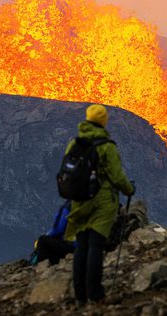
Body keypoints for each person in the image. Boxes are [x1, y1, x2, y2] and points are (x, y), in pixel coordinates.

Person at [64, 104, 134, 305]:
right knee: (95, 245)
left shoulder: (74, 144)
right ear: (104, 121)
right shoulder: (106, 145)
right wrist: (129, 189)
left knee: (81, 245)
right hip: (101, 202)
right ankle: (95, 294)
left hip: (79, 200)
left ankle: (80, 296)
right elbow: (117, 175)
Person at [29, 200, 75, 266]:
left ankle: (40, 266)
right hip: (84, 245)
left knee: (42, 240)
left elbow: (59, 229)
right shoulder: (86, 202)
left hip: (72, 245)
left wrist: (47, 235)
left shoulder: (68, 206)